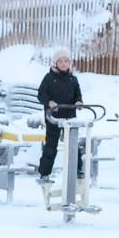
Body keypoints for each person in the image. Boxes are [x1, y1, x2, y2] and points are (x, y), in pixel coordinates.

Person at [37, 48, 83, 181]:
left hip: (69, 115)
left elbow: (78, 95)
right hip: (54, 117)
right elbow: (41, 94)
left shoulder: (73, 79)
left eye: (66, 61)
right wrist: (49, 102)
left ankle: (78, 169)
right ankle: (45, 172)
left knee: (73, 144)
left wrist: (79, 102)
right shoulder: (49, 78)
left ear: (70, 63)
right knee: (51, 145)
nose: (63, 64)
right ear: (55, 63)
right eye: (60, 61)